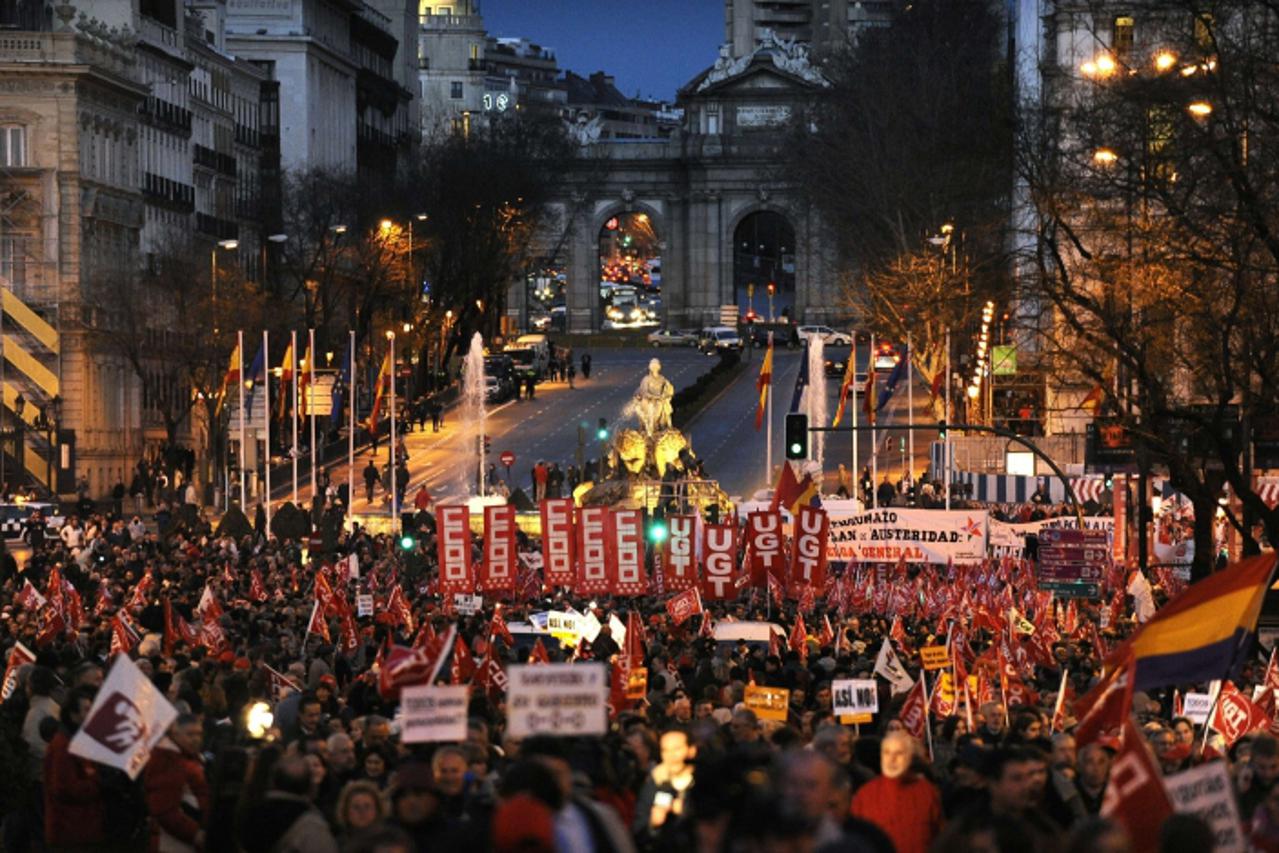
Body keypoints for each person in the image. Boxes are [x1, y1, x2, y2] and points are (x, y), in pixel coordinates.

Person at [849, 732, 942, 853]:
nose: (892, 759)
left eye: (898, 753)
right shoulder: (865, 795)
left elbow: (939, 836)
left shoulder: (927, 792)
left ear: (909, 757)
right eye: (887, 753)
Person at [144, 714, 210, 853]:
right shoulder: (167, 761)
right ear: (175, 734)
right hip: (172, 843)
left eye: (199, 734)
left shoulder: (186, 757)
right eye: (190, 734)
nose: (196, 739)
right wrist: (195, 834)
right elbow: (165, 810)